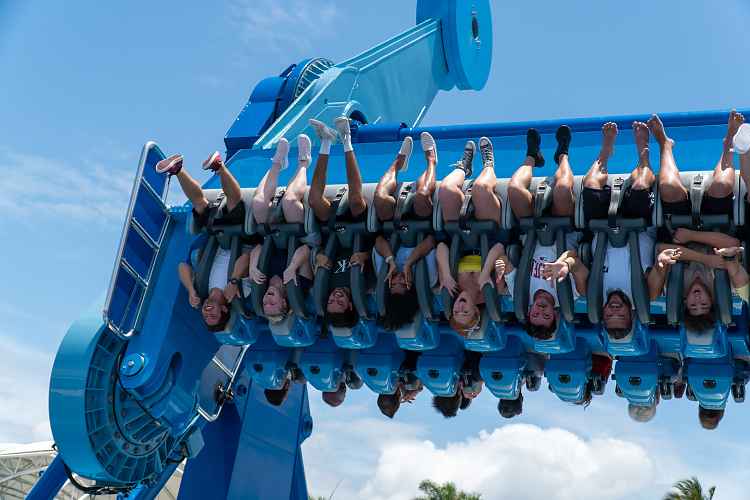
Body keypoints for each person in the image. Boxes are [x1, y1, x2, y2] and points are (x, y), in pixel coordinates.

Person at [648, 112, 749, 331]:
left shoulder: (673, 286)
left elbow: (662, 248)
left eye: (693, 306)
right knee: (721, 186)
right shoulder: (726, 283)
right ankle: (728, 142)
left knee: (668, 187)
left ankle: (665, 144)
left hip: (679, 228)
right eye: (703, 304)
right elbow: (732, 242)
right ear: (712, 301)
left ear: (685, 303)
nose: (697, 299)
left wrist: (703, 258)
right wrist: (694, 237)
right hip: (714, 226)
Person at [581, 121, 673, 338]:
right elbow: (659, 269)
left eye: (609, 315)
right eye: (620, 315)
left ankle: (605, 152)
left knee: (590, 185)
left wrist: (564, 266)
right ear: (631, 314)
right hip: (638, 224)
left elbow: (576, 264)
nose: (614, 310)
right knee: (640, 185)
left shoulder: (592, 292)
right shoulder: (647, 294)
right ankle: (644, 157)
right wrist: (661, 265)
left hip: (602, 224)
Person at [498, 127, 590, 340]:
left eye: (535, 314)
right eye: (546, 315)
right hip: (564, 228)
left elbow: (504, 258)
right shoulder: (571, 295)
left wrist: (500, 265)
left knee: (514, 190)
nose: (540, 310)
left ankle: (532, 157)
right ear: (555, 315)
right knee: (562, 188)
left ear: (529, 312)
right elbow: (578, 262)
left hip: (532, 229)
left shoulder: (519, 292)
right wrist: (565, 264)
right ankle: (562, 154)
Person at [159, 150, 253, 331]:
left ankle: (177, 169)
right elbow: (246, 259)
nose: (207, 312)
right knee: (234, 204)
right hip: (243, 239)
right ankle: (219, 166)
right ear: (224, 309)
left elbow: (182, 266)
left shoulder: (201, 289)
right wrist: (234, 281)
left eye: (205, 316)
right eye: (213, 315)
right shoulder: (240, 293)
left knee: (200, 206)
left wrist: (191, 290)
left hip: (216, 236)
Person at [307, 117, 374, 329]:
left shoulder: (324, 285)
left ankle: (326, 142)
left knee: (314, 200)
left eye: (330, 302)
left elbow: (315, 253)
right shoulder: (366, 286)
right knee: (355, 200)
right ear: (351, 306)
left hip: (334, 231)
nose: (335, 297)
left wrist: (318, 256)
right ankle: (346, 139)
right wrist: (365, 256)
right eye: (340, 303)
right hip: (361, 231)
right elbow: (380, 250)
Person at [436, 136, 504, 336]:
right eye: (465, 312)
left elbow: (441, 247)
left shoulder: (450, 287)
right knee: (481, 189)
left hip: (460, 235)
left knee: (446, 190)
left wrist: (446, 275)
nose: (459, 307)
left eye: (456, 311)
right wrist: (485, 272)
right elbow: (500, 248)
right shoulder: (491, 291)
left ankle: (463, 168)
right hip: (489, 234)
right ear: (476, 311)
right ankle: (489, 164)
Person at [247, 135, 315, 324]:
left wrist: (252, 267)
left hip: (275, 235)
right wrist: (292, 267)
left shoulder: (261, 281)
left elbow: (258, 248)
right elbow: (306, 250)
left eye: (265, 303)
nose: (267, 300)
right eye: (272, 304)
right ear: (284, 302)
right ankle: (304, 163)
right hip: (301, 236)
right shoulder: (300, 285)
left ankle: (277, 163)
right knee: (289, 201)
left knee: (258, 203)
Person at [373, 133, 438, 330]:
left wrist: (391, 260)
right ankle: (432, 160)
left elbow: (378, 241)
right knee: (421, 195)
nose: (398, 279)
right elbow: (431, 242)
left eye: (394, 284)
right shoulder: (428, 278)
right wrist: (410, 262)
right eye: (403, 284)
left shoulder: (385, 273)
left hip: (396, 225)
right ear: (411, 289)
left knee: (380, 198)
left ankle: (398, 163)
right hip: (422, 222)